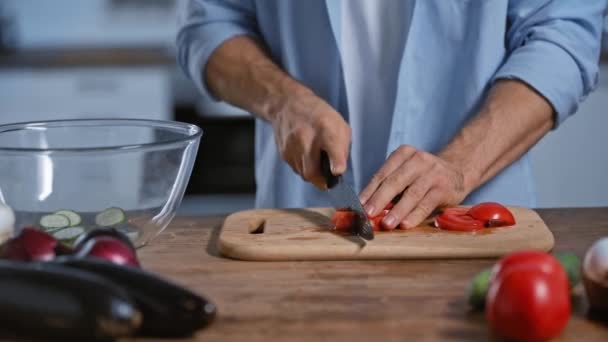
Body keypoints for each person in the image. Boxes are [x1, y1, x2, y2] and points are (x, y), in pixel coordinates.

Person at [177, 0, 606, 229]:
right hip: (300, 225)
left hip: (475, 227)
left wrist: (460, 165)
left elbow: (562, 36)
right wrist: (281, 98)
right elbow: (209, 24)